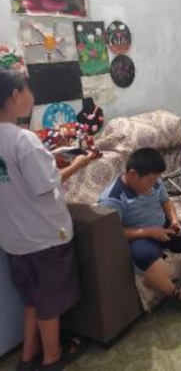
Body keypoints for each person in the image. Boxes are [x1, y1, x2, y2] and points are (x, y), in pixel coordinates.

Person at [0, 68, 96, 370]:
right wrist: (79, 163)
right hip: (44, 237)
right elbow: (47, 184)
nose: (32, 96)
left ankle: (27, 356)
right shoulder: (23, 139)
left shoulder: (18, 141)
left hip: (13, 239)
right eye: (28, 90)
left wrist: (48, 160)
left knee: (32, 299)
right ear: (15, 95)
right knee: (49, 304)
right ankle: (52, 357)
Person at [98, 148, 181, 315]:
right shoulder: (113, 198)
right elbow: (114, 232)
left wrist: (174, 220)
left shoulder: (154, 181)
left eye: (155, 180)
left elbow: (166, 201)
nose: (153, 185)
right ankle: (177, 293)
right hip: (139, 236)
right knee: (146, 257)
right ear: (133, 174)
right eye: (150, 181)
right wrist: (149, 232)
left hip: (164, 225)